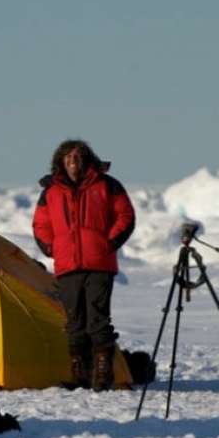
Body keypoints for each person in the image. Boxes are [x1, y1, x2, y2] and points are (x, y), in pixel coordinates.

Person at [32, 139, 135, 391]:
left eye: (77, 155)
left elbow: (126, 215)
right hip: (67, 265)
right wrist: (51, 248)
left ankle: (103, 376)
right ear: (61, 160)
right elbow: (40, 224)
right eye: (67, 156)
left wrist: (109, 243)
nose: (72, 159)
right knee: (74, 322)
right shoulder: (51, 191)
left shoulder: (107, 185)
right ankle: (79, 375)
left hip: (99, 263)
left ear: (86, 158)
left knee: (97, 321)